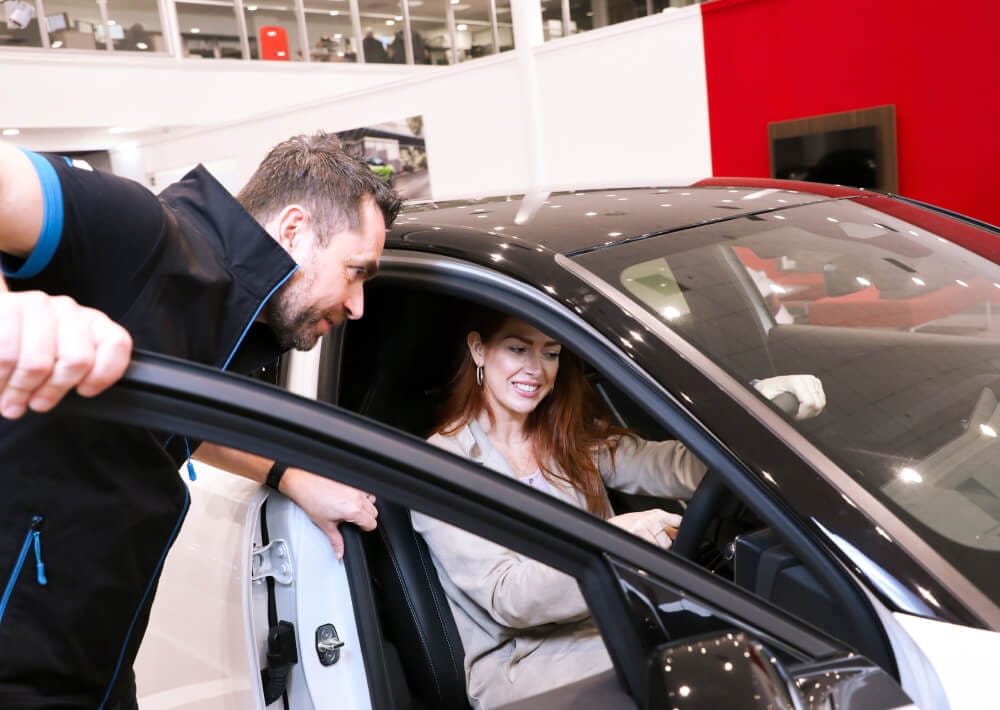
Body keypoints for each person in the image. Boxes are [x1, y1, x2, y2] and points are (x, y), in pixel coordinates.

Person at [0, 132, 401, 707]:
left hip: (97, 666)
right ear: (293, 230)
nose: (358, 305)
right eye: (356, 271)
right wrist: (9, 317)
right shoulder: (139, 234)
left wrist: (286, 472)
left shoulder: (226, 316)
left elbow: (172, 418)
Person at [411, 310, 825, 709]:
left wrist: (751, 408)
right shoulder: (442, 464)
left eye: (550, 353)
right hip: (528, 663)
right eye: (518, 349)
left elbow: (674, 467)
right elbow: (510, 600)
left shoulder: (567, 436)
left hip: (612, 622)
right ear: (479, 350)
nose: (536, 369)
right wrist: (614, 541)